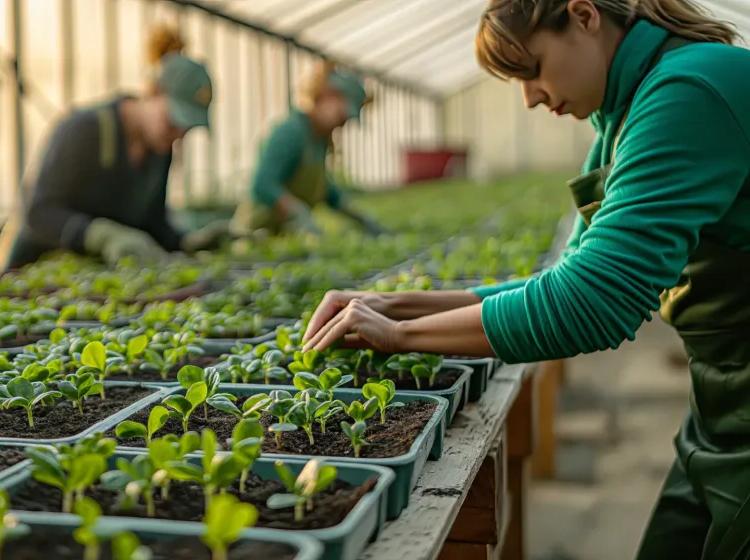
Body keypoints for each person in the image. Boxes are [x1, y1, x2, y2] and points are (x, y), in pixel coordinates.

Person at [302, 1, 750, 558]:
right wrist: (397, 306)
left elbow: (594, 301)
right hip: (719, 414)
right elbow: (569, 278)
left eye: (531, 68)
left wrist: (402, 338)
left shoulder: (691, 90)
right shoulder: (628, 112)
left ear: (583, 16)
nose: (530, 96)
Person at [0, 23, 230, 273]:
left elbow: (152, 221)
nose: (178, 135)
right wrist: (100, 235)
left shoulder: (159, 151)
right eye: (173, 121)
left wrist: (185, 242)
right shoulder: (85, 130)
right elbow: (37, 213)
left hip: (87, 282)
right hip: (31, 277)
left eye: (186, 128)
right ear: (153, 91)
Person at [229, 61, 385, 238]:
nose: (342, 124)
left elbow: (323, 188)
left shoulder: (318, 139)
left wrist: (357, 215)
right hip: (254, 232)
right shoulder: (291, 132)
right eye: (342, 114)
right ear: (327, 95)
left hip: (283, 236)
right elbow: (263, 184)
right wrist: (298, 213)